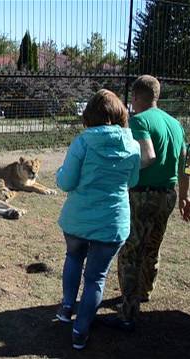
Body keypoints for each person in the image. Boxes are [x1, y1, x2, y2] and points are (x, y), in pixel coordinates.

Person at [103, 75, 190, 331]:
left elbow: (147, 156)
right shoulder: (175, 124)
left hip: (143, 194)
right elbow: (188, 163)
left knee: (130, 251)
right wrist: (186, 196)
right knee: (152, 246)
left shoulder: (138, 121)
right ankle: (144, 291)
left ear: (134, 98)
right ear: (156, 95)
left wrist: (124, 172)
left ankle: (128, 310)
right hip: (168, 194)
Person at [55, 89, 141, 350]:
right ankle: (80, 332)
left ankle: (66, 308)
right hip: (112, 222)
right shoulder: (133, 145)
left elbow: (66, 181)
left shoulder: (82, 142)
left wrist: (61, 173)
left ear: (89, 115)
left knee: (73, 257)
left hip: (78, 219)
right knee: (96, 277)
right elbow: (133, 181)